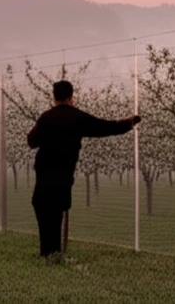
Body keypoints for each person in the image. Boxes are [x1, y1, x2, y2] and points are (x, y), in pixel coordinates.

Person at [26, 80, 140, 258]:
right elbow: (104, 127)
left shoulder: (46, 117)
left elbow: (31, 141)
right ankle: (53, 253)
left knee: (42, 207)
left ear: (54, 97)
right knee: (56, 212)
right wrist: (128, 123)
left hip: (44, 172)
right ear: (71, 97)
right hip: (64, 174)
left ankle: (47, 252)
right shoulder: (78, 117)